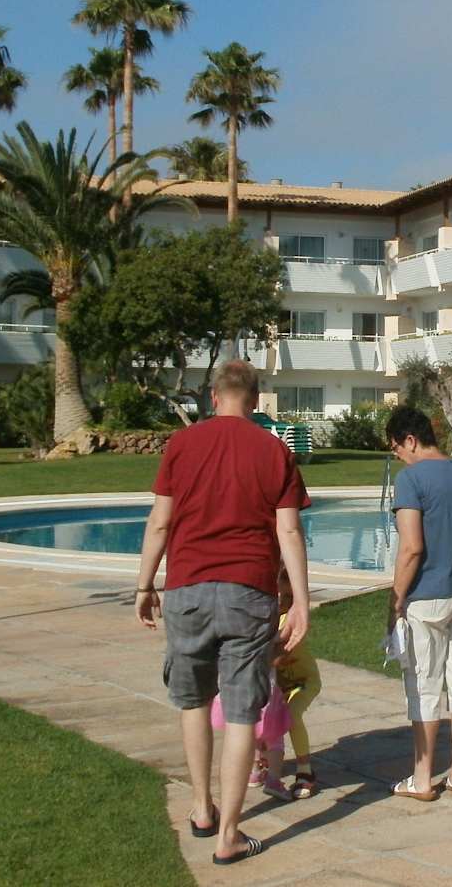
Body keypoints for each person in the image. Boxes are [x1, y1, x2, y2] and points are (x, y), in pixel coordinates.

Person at [135, 360, 311, 867]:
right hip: (248, 593)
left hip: (187, 589)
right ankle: (229, 835)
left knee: (192, 702)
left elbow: (161, 522)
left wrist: (144, 584)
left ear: (214, 397)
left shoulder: (182, 444)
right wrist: (300, 602)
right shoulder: (274, 450)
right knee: (240, 713)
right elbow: (288, 531)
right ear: (255, 401)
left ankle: (201, 808)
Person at [385, 405, 452, 801]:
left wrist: (396, 598)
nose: (397, 455)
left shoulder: (411, 479)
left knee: (424, 687)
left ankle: (423, 778)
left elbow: (411, 547)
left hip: (428, 597)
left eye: (396, 447)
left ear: (411, 440)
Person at [272, 566, 322, 799]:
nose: (280, 600)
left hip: (304, 682)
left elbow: (277, 655)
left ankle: (305, 771)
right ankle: (262, 761)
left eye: (286, 596)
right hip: (279, 684)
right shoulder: (267, 617)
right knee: (259, 714)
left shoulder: (293, 620)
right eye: (275, 593)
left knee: (292, 715)